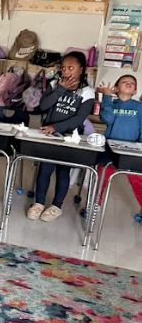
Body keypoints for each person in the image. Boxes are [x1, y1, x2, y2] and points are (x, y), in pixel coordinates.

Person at [28, 51, 95, 222]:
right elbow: (43, 106)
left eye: (71, 68)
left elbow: (79, 119)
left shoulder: (87, 92)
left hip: (70, 138)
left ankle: (56, 206)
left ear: (81, 69)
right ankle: (39, 203)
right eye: (64, 68)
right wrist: (60, 90)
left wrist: (56, 127)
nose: (66, 72)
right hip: (49, 136)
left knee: (63, 172)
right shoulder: (54, 84)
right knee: (44, 170)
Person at [96, 74, 142, 209]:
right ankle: (95, 205)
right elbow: (108, 118)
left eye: (132, 83)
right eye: (124, 81)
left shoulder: (139, 107)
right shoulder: (109, 103)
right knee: (101, 178)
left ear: (135, 91)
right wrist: (107, 96)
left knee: (138, 181)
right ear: (116, 88)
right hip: (109, 149)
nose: (128, 83)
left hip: (132, 151)